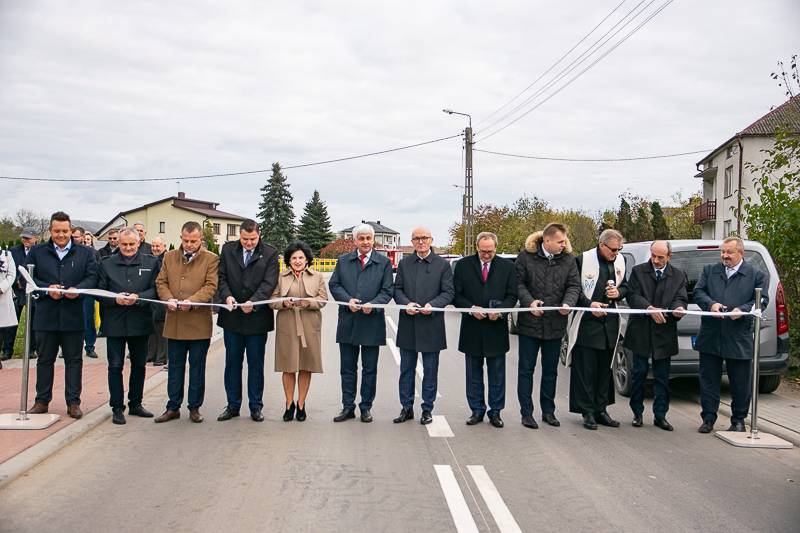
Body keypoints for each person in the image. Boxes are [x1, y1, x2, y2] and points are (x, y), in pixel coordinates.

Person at [26, 211, 98, 419]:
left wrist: (78, 290)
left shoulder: (85, 253)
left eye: (65, 231)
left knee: (74, 361)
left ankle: (73, 403)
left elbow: (92, 277)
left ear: (71, 230)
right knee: (44, 360)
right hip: (46, 316)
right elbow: (27, 278)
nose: (61, 235)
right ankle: (41, 401)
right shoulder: (37, 252)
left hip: (73, 317)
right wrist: (46, 288)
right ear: (50, 230)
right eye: (57, 231)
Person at [693, 236, 768, 433]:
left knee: (740, 382)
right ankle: (708, 419)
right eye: (722, 252)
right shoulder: (710, 271)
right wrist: (711, 304)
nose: (724, 256)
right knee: (708, 380)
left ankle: (738, 420)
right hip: (711, 335)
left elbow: (762, 300)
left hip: (739, 336)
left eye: (729, 252)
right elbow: (698, 292)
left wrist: (742, 310)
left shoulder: (756, 275)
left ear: (741, 253)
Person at [515, 223, 581, 429]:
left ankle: (548, 411)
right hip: (530, 324)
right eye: (560, 241)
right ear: (547, 240)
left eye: (564, 241)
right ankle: (526, 413)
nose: (564, 244)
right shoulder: (526, 257)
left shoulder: (568, 259)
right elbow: (518, 284)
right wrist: (529, 302)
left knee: (551, 371)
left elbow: (574, 285)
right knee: (526, 370)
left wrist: (568, 303)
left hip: (555, 324)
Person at [154, 221, 219, 424]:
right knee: (175, 367)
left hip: (199, 324)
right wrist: (168, 298)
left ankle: (194, 407)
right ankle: (173, 407)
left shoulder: (211, 259)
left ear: (201, 240)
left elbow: (211, 286)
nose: (189, 245)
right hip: (175, 322)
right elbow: (161, 282)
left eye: (193, 241)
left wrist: (192, 301)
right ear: (181, 238)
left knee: (197, 368)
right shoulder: (169, 257)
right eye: (186, 240)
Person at [329, 223, 393, 423]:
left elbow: (387, 291)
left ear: (373, 240)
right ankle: (348, 407)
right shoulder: (343, 261)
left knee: (369, 369)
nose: (365, 242)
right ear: (355, 241)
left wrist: (373, 305)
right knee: (347, 369)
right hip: (348, 321)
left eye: (368, 238)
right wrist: (347, 300)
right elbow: (334, 285)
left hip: (372, 323)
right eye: (361, 238)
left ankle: (366, 407)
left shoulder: (383, 263)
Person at [216, 220, 279, 423]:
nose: (249, 243)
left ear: (259, 235)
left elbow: (269, 283)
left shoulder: (270, 253)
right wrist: (227, 296)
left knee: (255, 365)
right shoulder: (227, 250)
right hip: (232, 318)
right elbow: (221, 278)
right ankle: (232, 405)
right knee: (232, 364)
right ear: (239, 236)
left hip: (257, 319)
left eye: (252, 239)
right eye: (245, 239)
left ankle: (255, 406)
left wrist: (255, 301)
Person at [565, 229, 628, 430]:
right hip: (587, 324)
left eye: (619, 249)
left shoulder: (620, 261)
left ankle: (601, 409)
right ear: (601, 245)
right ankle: (587, 411)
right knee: (586, 370)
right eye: (613, 250)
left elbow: (626, 286)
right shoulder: (582, 260)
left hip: (609, 325)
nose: (616, 253)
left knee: (604, 370)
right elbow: (573, 289)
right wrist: (589, 304)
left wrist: (618, 292)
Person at [97, 228, 161, 425]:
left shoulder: (151, 262)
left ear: (139, 243)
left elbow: (156, 290)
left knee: (139, 365)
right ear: (118, 243)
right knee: (115, 366)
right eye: (124, 244)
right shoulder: (106, 263)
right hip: (114, 322)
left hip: (140, 321)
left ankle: (136, 403)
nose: (127, 248)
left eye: (131, 244)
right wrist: (114, 299)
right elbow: (99, 291)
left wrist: (139, 297)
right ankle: (117, 407)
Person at [453, 232, 517, 428]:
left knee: (497, 375)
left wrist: (500, 311)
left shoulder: (508, 267)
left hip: (496, 329)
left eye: (490, 251)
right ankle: (476, 410)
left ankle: (495, 412)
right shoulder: (463, 266)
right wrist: (471, 309)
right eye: (483, 251)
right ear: (477, 248)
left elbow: (512, 295)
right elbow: (456, 295)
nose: (486, 255)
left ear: (496, 248)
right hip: (472, 328)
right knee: (473, 374)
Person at [624, 240, 688, 431]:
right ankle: (637, 413)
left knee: (662, 376)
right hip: (641, 330)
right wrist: (648, 308)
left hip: (664, 331)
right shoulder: (638, 271)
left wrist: (679, 308)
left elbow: (681, 297)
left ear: (669, 256)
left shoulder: (678, 275)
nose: (656, 260)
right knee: (639, 373)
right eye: (653, 256)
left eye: (660, 257)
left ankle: (660, 416)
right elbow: (632, 296)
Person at [392, 227, 454, 425]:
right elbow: (397, 289)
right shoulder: (404, 264)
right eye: (416, 238)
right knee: (406, 370)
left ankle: (427, 409)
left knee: (430, 370)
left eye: (424, 238)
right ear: (412, 241)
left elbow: (448, 292)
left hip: (431, 324)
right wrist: (406, 303)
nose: (420, 241)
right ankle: (406, 407)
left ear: (431, 240)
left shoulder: (442, 265)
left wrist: (432, 305)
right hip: (408, 323)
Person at [270, 241, 328, 422]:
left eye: (301, 257)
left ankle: (301, 404)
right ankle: (289, 404)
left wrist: (309, 302)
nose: (297, 261)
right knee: (288, 367)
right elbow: (271, 300)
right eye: (294, 257)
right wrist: (283, 302)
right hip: (287, 326)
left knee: (305, 365)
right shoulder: (280, 277)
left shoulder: (317, 276)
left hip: (309, 326)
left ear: (307, 259)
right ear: (289, 260)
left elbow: (323, 299)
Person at [1, 227, 39, 360]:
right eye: (23, 237)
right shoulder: (13, 251)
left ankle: (31, 349)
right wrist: (18, 280)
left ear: (35, 238)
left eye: (28, 238)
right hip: (17, 291)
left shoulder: (40, 251)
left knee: (33, 322)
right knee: (11, 322)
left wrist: (30, 282)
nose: (25, 240)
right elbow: (10, 269)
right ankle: (7, 350)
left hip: (32, 291)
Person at [73, 227, 100, 359]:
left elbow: (94, 272)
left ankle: (90, 346)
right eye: (72, 236)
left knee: (88, 319)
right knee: (72, 319)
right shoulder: (68, 252)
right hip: (71, 291)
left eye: (76, 236)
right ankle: (70, 347)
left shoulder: (91, 252)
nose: (74, 239)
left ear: (83, 237)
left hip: (87, 291)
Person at [147, 237, 168, 366]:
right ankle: (151, 354)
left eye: (158, 246)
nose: (155, 249)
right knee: (152, 328)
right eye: (153, 246)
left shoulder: (166, 260)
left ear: (164, 246)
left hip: (161, 299)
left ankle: (162, 357)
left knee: (161, 329)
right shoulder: (150, 259)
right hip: (151, 298)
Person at [0, 250, 17, 369]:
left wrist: (2, 288)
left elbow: (11, 274)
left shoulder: (6, 254)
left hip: (2, 296)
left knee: (1, 329)